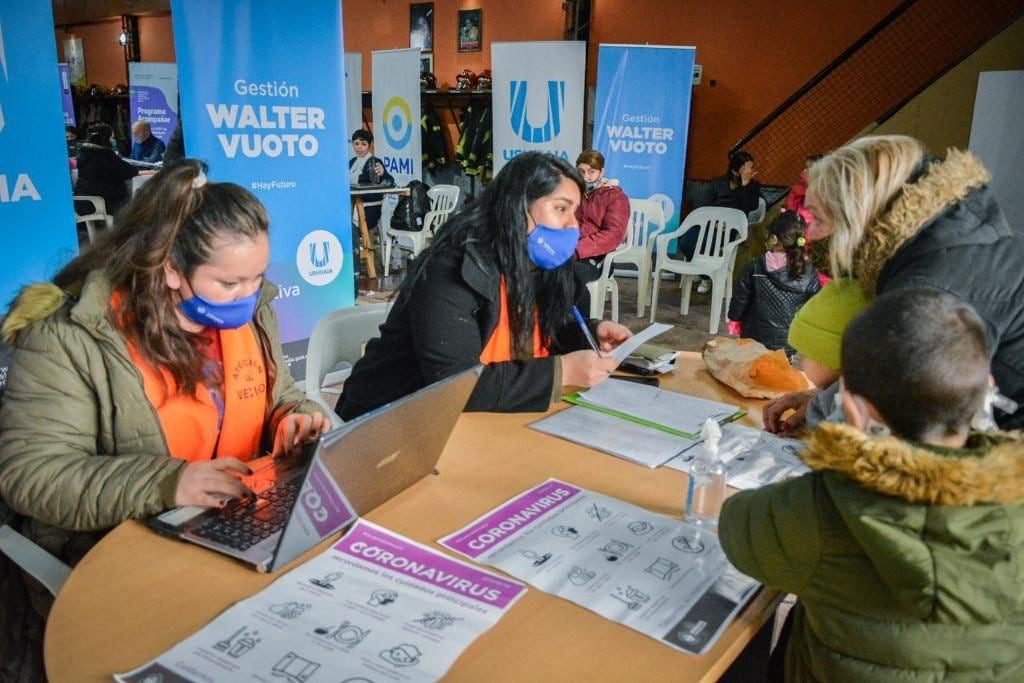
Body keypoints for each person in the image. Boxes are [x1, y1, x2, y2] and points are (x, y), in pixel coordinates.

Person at [0, 160, 330, 570]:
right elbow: (34, 475)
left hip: (233, 518)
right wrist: (166, 483)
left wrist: (293, 419)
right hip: (119, 546)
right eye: (229, 283)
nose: (247, 295)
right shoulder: (72, 336)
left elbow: (281, 396)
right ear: (171, 268)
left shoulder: (251, 312)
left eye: (257, 278)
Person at [719, 287, 1024, 681]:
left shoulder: (825, 506)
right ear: (988, 389)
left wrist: (835, 460)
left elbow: (737, 529)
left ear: (851, 408)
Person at [336, 151, 632, 421]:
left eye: (576, 213)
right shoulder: (451, 269)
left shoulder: (549, 268)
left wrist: (591, 333)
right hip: (393, 423)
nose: (573, 226)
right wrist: (563, 371)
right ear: (517, 207)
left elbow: (554, 331)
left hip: (488, 419)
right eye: (561, 209)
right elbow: (453, 384)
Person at [764, 135, 1024, 432]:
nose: (812, 236)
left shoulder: (932, 281)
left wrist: (822, 413)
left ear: (856, 216)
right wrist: (821, 401)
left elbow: (897, 386)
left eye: (821, 220)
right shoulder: (944, 236)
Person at [726, 212, 820, 354]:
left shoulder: (755, 266)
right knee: (779, 372)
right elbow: (814, 307)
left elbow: (740, 298)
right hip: (788, 341)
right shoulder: (809, 272)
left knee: (750, 371)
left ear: (774, 238)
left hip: (753, 336)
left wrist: (734, 319)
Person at [683, 150, 760, 294]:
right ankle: (704, 273)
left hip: (730, 230)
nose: (750, 171)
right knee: (686, 241)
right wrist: (713, 223)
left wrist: (745, 185)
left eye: (751, 167)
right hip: (709, 224)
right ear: (735, 171)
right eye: (746, 168)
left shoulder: (752, 186)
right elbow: (704, 205)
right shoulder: (717, 183)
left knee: (708, 244)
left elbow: (751, 206)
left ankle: (706, 277)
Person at [573, 150, 631, 283]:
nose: (585, 177)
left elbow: (614, 234)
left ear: (601, 172)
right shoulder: (574, 192)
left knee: (571, 275)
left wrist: (577, 250)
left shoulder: (616, 197)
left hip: (599, 257)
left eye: (591, 172)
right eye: (581, 171)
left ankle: (578, 304)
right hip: (570, 248)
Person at [73, 122, 138, 215]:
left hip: (81, 203)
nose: (113, 140)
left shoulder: (82, 153)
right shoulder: (106, 155)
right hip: (101, 204)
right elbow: (130, 171)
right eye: (112, 137)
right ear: (105, 138)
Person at [349, 128, 395, 232]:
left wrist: (383, 173)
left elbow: (389, 181)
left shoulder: (374, 162)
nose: (359, 147)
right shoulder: (352, 162)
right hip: (352, 204)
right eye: (356, 144)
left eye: (363, 144)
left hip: (368, 209)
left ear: (370, 145)